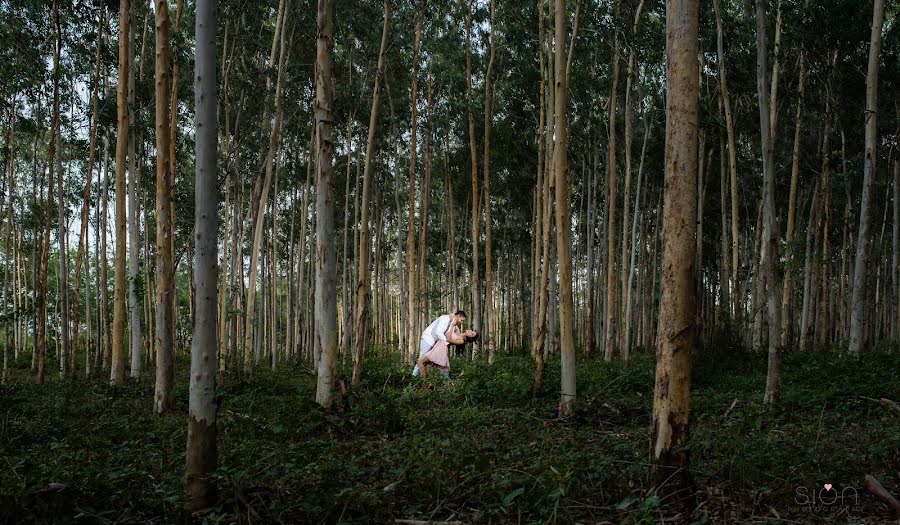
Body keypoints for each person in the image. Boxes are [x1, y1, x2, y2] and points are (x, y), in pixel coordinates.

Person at [413, 310, 472, 377]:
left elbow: (450, 336)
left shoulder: (454, 327)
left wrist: (452, 323)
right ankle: (415, 377)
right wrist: (452, 318)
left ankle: (423, 382)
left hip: (437, 345)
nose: (462, 322)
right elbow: (439, 333)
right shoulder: (446, 319)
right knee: (422, 361)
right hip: (428, 339)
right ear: (458, 316)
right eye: (462, 320)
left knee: (426, 363)